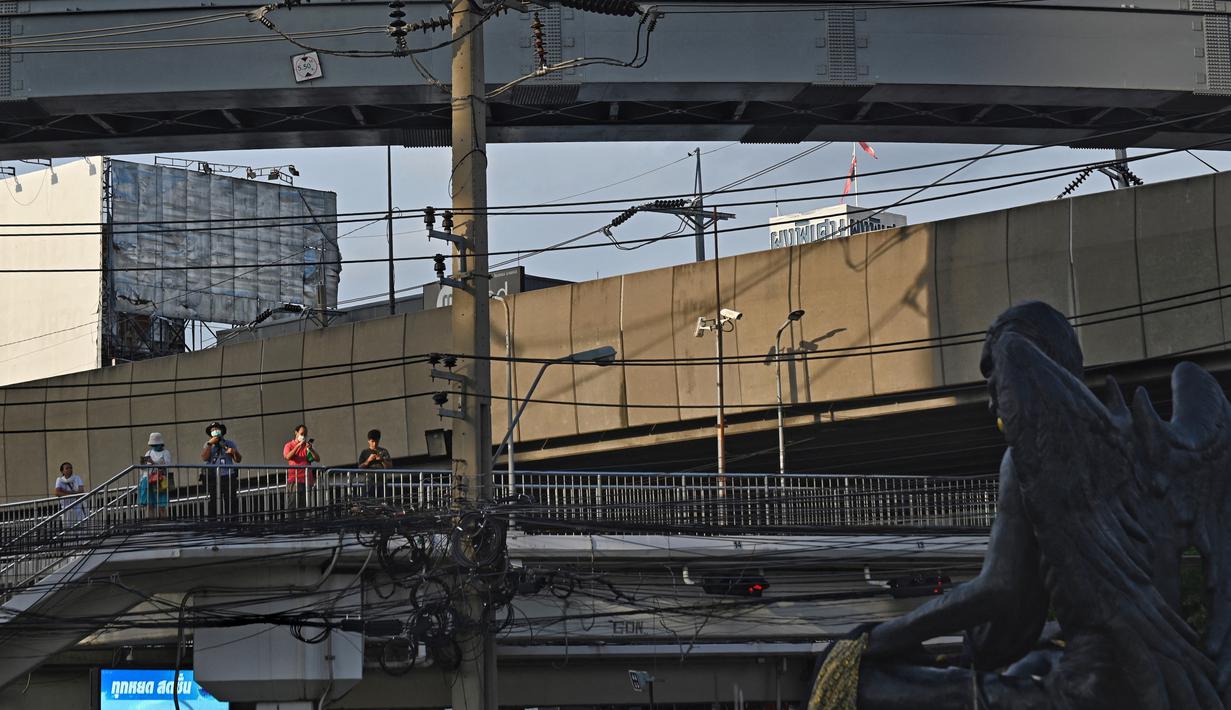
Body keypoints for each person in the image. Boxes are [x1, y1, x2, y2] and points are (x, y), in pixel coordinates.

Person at [200, 422, 242, 518]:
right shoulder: (208, 444)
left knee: (231, 501)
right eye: (212, 430)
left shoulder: (230, 443)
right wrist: (210, 444)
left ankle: (232, 521)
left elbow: (238, 459)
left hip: (228, 476)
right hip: (213, 477)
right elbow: (204, 458)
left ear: (222, 431)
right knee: (214, 501)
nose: (215, 431)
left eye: (216, 429)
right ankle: (213, 522)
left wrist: (233, 452)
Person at [282, 424, 319, 510]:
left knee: (304, 506)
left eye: (305, 434)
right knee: (293, 505)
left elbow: (317, 459)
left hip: (307, 480)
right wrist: (298, 445)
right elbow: (287, 456)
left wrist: (311, 449)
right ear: (296, 433)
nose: (303, 436)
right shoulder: (289, 445)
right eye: (301, 434)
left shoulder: (307, 447)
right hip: (295, 480)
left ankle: (303, 522)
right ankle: (292, 523)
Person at [138, 432, 172, 519]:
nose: (155, 446)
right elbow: (143, 468)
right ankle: (150, 522)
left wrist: (154, 463)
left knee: (161, 505)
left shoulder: (166, 452)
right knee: (149, 504)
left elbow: (167, 464)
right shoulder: (148, 452)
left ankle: (165, 522)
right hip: (148, 479)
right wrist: (143, 464)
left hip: (160, 480)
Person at [357, 428, 392, 499]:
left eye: (376, 441)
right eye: (372, 441)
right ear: (368, 441)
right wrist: (368, 460)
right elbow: (360, 468)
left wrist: (382, 460)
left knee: (384, 502)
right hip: (368, 483)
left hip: (382, 483)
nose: (374, 444)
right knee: (368, 503)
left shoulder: (383, 451)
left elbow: (390, 467)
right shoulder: (365, 452)